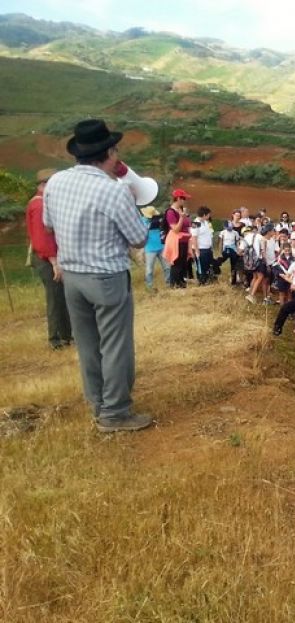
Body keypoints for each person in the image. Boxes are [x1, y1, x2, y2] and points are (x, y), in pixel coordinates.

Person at [42, 119, 150, 432]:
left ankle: (98, 403)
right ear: (110, 153)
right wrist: (132, 203)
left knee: (88, 344)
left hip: (72, 277)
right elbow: (138, 238)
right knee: (115, 345)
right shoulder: (113, 191)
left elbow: (48, 224)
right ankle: (115, 413)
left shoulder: (56, 182)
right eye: (116, 151)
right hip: (106, 278)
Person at [26, 167, 73, 350]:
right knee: (54, 298)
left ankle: (66, 335)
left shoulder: (41, 203)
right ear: (44, 185)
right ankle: (55, 338)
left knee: (60, 296)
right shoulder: (39, 206)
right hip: (46, 258)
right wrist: (54, 262)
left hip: (49, 257)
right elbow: (42, 238)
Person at [164, 187, 192, 288]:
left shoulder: (181, 210)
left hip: (184, 240)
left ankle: (181, 284)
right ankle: (174, 285)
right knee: (177, 262)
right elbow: (175, 229)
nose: (185, 201)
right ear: (178, 198)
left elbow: (188, 225)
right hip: (176, 240)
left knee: (183, 262)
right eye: (184, 198)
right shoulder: (170, 212)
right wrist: (181, 218)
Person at [139, 206, 170, 290]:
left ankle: (168, 284)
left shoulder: (158, 220)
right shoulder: (142, 220)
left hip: (161, 246)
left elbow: (164, 228)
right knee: (149, 270)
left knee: (167, 267)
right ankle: (149, 287)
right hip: (149, 248)